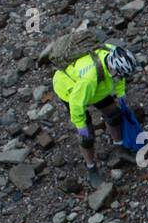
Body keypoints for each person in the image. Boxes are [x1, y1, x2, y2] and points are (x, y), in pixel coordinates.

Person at [52, 42, 142, 187]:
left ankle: (120, 149)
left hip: (100, 87)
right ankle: (92, 169)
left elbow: (120, 78)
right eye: (118, 75)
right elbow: (76, 104)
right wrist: (81, 126)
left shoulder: (114, 54)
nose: (120, 78)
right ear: (112, 69)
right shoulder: (89, 79)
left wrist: (120, 94)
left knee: (114, 115)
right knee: (87, 137)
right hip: (69, 89)